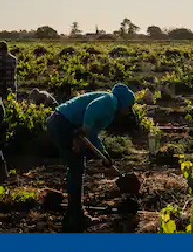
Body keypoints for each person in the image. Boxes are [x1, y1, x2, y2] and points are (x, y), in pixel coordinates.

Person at [46, 83, 136, 232]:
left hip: (64, 123)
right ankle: (75, 216)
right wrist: (84, 130)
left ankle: (74, 214)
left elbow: (93, 135)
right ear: (123, 102)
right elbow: (91, 109)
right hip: (63, 123)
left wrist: (104, 155)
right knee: (77, 168)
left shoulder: (109, 112)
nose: (129, 111)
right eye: (129, 107)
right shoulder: (110, 100)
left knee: (77, 167)